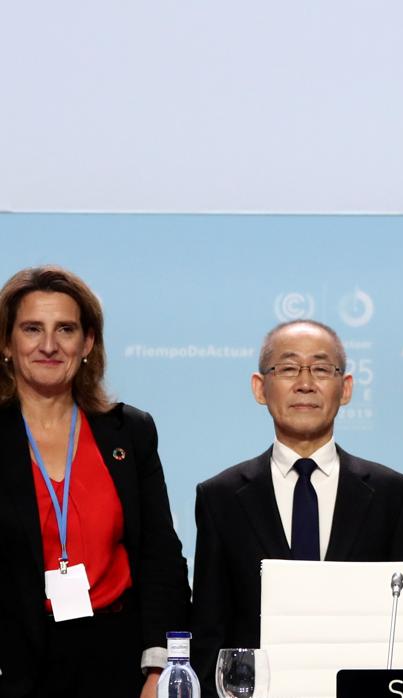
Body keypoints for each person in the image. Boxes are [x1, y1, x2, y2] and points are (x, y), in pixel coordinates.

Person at [190, 320, 403, 681]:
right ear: (260, 387)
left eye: (322, 369)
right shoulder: (220, 497)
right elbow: (209, 629)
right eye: (288, 368)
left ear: (345, 389)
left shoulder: (392, 494)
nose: (306, 383)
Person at [0, 266, 190, 698]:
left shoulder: (128, 432)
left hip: (119, 660)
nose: (49, 345)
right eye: (32, 329)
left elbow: (160, 555)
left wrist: (160, 668)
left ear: (87, 343)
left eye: (65, 329)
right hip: (13, 663)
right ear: (7, 344)